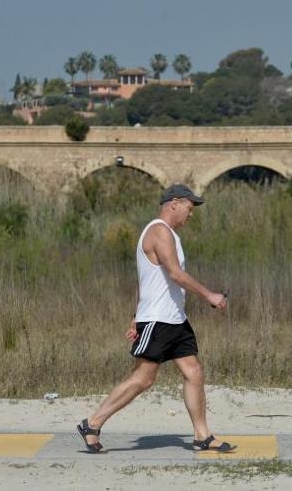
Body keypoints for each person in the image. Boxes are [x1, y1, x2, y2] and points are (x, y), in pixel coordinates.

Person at [77, 184, 234, 453]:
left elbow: (145, 281)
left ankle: (202, 436)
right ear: (174, 203)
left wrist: (134, 317)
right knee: (144, 378)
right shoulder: (159, 231)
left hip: (174, 319)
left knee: (193, 372)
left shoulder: (167, 234)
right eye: (189, 206)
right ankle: (92, 423)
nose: (191, 213)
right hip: (159, 320)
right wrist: (209, 295)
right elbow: (175, 274)